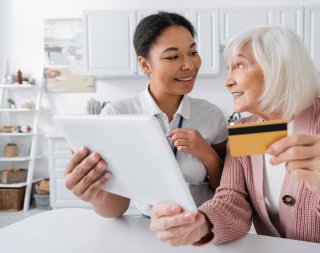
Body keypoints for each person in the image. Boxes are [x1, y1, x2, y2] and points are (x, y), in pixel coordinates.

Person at [149, 26, 320, 252]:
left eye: (238, 66)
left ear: (276, 68)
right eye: (229, 68)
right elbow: (232, 200)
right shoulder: (244, 127)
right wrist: (201, 224)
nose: (227, 81)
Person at [64, 11, 228, 218]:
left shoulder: (211, 114)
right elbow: (115, 209)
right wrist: (95, 196)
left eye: (193, 52)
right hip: (151, 229)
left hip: (208, 228)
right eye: (173, 56)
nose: (189, 65)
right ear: (145, 64)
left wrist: (208, 155)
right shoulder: (117, 116)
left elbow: (229, 191)